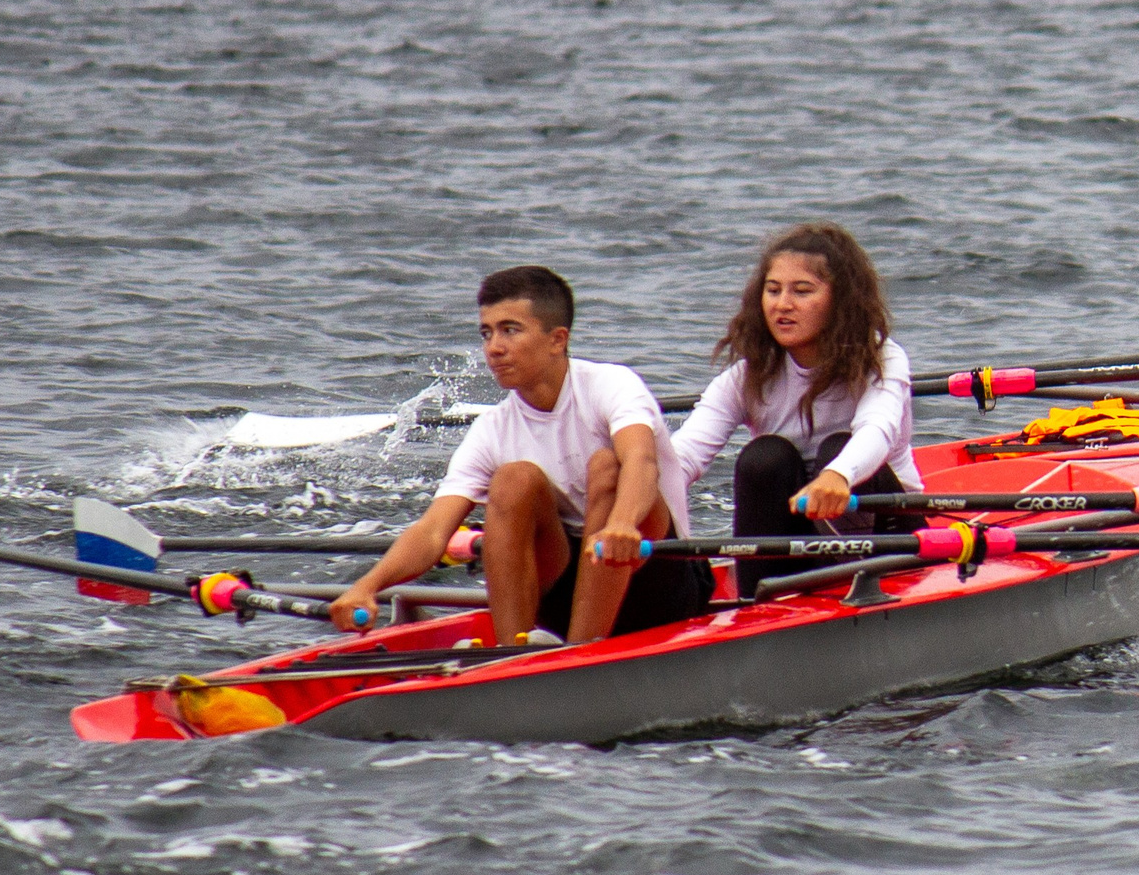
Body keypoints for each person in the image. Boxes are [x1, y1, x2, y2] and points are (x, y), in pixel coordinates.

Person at [327, 266, 711, 644]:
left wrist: (624, 523)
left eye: (510, 330)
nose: (493, 347)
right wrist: (367, 586)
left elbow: (642, 461)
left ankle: (575, 656)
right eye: (486, 333)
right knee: (513, 479)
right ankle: (512, 652)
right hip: (567, 585)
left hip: (658, 579)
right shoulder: (492, 429)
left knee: (607, 464)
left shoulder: (611, 386)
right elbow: (431, 532)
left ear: (557, 340)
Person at [671, 222, 924, 599]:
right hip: (798, 532)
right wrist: (629, 499)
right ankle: (759, 598)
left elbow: (878, 430)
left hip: (887, 531)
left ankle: (855, 583)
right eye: (772, 291)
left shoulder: (881, 360)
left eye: (801, 291)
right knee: (763, 458)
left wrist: (838, 475)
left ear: (840, 301)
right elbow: (685, 453)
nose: (782, 304)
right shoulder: (747, 376)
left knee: (837, 449)